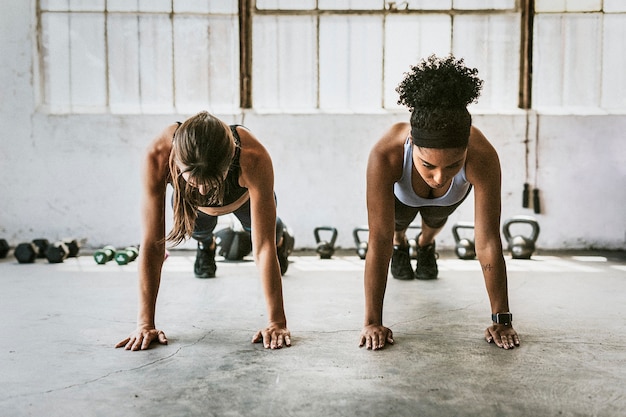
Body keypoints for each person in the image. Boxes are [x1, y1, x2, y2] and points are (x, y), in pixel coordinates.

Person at [359, 55, 520, 351]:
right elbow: (376, 239)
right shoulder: (386, 155)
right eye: (428, 165)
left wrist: (503, 318)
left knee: (434, 222)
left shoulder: (482, 156)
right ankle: (403, 243)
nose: (438, 177)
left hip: (445, 205)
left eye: (453, 165)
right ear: (412, 143)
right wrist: (372, 321)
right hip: (401, 200)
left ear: (466, 150)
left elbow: (486, 241)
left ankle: (424, 245)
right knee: (394, 229)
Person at [116, 111, 292, 351]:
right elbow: (152, 243)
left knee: (267, 234)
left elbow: (262, 248)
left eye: (210, 182)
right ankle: (206, 245)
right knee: (198, 231)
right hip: (194, 210)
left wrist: (277, 322)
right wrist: (145, 323)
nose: (200, 191)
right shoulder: (158, 154)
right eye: (192, 181)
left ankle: (284, 240)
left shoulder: (253, 156)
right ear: (176, 161)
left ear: (230, 161)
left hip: (244, 201)